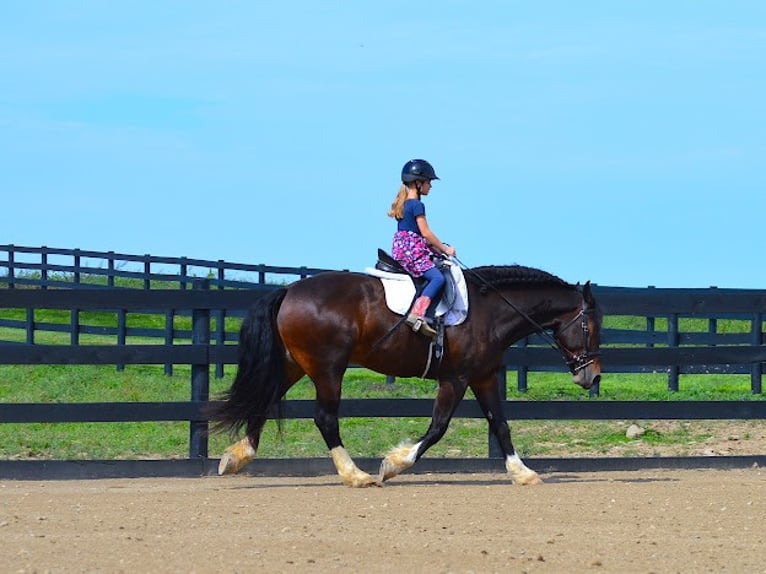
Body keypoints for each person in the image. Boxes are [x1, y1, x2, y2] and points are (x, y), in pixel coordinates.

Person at [388, 159, 457, 338]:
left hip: (402, 249)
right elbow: (425, 233)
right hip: (413, 251)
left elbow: (415, 234)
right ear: (418, 183)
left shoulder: (403, 205)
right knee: (437, 278)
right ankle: (417, 314)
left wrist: (437, 250)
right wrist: (445, 249)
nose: (430, 186)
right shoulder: (417, 205)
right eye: (429, 182)